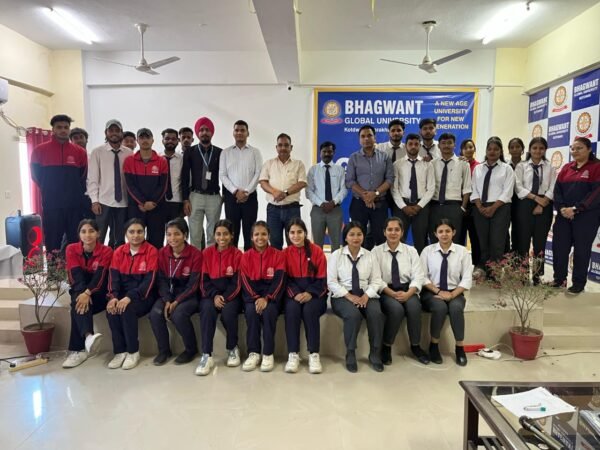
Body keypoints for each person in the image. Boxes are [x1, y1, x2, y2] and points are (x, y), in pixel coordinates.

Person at [327, 221, 385, 373]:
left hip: (366, 294)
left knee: (376, 314)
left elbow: (376, 280)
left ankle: (375, 353)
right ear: (345, 237)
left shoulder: (370, 255)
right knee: (353, 315)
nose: (356, 238)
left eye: (359, 234)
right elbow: (331, 282)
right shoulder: (336, 255)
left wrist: (366, 296)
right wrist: (349, 296)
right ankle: (351, 352)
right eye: (351, 234)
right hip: (342, 295)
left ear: (363, 236)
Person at [372, 217, 429, 366]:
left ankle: (416, 346)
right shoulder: (376, 252)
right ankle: (386, 346)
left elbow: (418, 276)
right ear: (384, 232)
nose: (393, 233)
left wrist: (409, 293)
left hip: (407, 289)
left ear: (402, 232)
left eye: (397, 230)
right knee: (396, 310)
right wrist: (391, 293)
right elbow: (376, 278)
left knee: (414, 307)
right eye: (389, 230)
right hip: (386, 290)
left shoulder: (411, 251)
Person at [30, 114, 87, 253]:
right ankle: (54, 268)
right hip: (52, 204)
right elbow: (36, 176)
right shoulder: (39, 150)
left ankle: (74, 267)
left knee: (75, 241)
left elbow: (82, 176)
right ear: (53, 129)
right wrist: (49, 189)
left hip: (74, 205)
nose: (63, 130)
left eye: (66, 127)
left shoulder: (79, 152)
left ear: (69, 129)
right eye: (59, 127)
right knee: (52, 241)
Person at [106, 219, 158, 370]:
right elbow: (113, 279)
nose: (136, 235)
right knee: (112, 310)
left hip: (144, 296)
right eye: (132, 232)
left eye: (139, 232)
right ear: (126, 234)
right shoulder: (118, 252)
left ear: (144, 233)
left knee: (126, 309)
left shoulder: (151, 251)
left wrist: (129, 297)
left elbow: (149, 281)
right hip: (122, 295)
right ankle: (119, 351)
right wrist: (113, 297)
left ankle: (133, 351)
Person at [420, 219, 473, 366]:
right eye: (441, 231)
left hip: (455, 291)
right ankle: (434, 345)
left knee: (456, 308)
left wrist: (452, 294)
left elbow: (467, 279)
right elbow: (422, 277)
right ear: (435, 234)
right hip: (432, 291)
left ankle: (460, 348)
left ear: (453, 232)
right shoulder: (427, 251)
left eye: (447, 231)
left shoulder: (462, 252)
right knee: (440, 307)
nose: (444, 234)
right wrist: (438, 291)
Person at [149, 219, 202, 366]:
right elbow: (160, 280)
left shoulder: (195, 254)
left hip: (188, 295)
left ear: (185, 235)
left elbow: (193, 284)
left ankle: (191, 349)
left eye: (177, 234)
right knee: (155, 314)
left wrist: (177, 301)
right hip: (168, 294)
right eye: (169, 234)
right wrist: (167, 300)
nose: (172, 238)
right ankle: (164, 351)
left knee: (178, 314)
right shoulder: (162, 253)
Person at [63, 219, 113, 368]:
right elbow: (75, 276)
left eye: (91, 231)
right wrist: (83, 294)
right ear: (79, 234)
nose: (87, 235)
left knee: (76, 303)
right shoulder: (71, 249)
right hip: (80, 289)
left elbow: (100, 278)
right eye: (83, 231)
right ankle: (88, 337)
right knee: (77, 300)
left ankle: (78, 350)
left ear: (98, 233)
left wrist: (87, 293)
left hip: (99, 292)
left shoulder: (106, 251)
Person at [552, 137, 600, 294]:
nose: (575, 151)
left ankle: (578, 283)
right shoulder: (567, 168)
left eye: (579, 148)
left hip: (586, 217)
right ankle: (559, 280)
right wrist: (562, 208)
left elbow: (596, 194)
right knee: (559, 248)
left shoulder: (596, 167)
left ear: (589, 149)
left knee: (581, 251)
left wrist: (576, 209)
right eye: (573, 148)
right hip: (564, 216)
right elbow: (557, 190)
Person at [197, 219, 244, 375]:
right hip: (211, 295)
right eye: (218, 234)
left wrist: (224, 297)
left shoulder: (237, 254)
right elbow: (203, 281)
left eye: (225, 234)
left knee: (229, 312)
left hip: (231, 296)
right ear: (214, 235)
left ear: (232, 236)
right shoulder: (206, 253)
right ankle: (206, 354)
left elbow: (237, 282)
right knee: (206, 310)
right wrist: (214, 296)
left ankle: (232, 348)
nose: (222, 238)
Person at [282, 218, 328, 374]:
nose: (296, 236)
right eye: (292, 232)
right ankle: (293, 354)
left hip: (315, 295)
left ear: (305, 233)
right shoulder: (285, 253)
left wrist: (310, 293)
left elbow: (322, 280)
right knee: (291, 310)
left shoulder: (317, 251)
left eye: (299, 232)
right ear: (288, 234)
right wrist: (295, 294)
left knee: (309, 310)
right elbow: (284, 280)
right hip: (293, 295)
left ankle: (314, 354)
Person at [239, 221, 285, 372]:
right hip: (252, 296)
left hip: (271, 295)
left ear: (269, 236)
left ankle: (268, 353)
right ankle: (253, 353)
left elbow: (279, 280)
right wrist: (256, 298)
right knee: (251, 312)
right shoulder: (245, 256)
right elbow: (245, 281)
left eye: (264, 234)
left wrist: (267, 298)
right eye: (256, 234)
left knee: (269, 312)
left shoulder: (278, 255)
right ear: (251, 237)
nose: (260, 237)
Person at [470, 136, 515, 278]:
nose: (492, 152)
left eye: (496, 149)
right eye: (489, 149)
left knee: (497, 241)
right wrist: (480, 206)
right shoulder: (478, 168)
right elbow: (473, 188)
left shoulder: (507, 169)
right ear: (486, 150)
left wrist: (493, 208)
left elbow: (507, 191)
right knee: (483, 241)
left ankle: (495, 273)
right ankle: (484, 270)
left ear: (500, 151)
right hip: (480, 207)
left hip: (500, 207)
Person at [513, 137, 556, 283]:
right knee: (523, 242)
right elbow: (518, 186)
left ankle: (537, 275)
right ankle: (523, 274)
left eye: (541, 148)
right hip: (525, 203)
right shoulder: (522, 166)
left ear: (545, 150)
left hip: (545, 204)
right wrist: (536, 199)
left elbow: (553, 187)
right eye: (535, 148)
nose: (538, 151)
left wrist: (542, 203)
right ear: (530, 149)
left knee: (540, 243)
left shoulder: (550, 167)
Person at [345, 125, 394, 249]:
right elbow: (350, 181)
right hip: (359, 204)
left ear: (375, 138)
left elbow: (389, 179)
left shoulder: (384, 157)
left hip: (379, 203)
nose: (366, 138)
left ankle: (379, 261)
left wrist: (375, 194)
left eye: (369, 135)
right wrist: (365, 195)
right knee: (357, 237)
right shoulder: (353, 158)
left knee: (381, 237)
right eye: (363, 136)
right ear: (359, 140)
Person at [87, 119, 133, 248]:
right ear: (106, 133)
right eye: (111, 130)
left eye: (117, 130)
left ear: (121, 133)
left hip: (123, 202)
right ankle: (98, 260)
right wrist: (94, 201)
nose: (114, 133)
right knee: (99, 236)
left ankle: (116, 260)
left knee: (119, 238)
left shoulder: (129, 153)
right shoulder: (97, 152)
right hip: (103, 202)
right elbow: (93, 179)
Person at [219, 120, 263, 250]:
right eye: (237, 130)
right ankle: (232, 261)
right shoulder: (225, 152)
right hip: (231, 198)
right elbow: (223, 175)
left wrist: (246, 192)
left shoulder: (255, 152)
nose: (239, 133)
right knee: (232, 233)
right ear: (233, 133)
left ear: (248, 133)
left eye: (242, 130)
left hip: (250, 197)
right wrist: (235, 191)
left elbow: (258, 173)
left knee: (250, 232)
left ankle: (250, 261)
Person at [259, 133, 307, 250]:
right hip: (273, 210)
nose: (283, 148)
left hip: (292, 209)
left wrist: (285, 193)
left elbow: (302, 183)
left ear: (291, 147)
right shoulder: (269, 163)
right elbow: (263, 182)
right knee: (275, 243)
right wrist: (274, 192)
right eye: (280, 145)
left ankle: (293, 263)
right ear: (276, 147)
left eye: (286, 145)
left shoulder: (298, 164)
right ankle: (278, 263)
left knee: (294, 242)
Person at [123, 128, 169, 249]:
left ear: (152, 140)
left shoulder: (162, 161)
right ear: (137, 141)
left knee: (156, 241)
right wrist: (142, 202)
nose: (144, 140)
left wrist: (151, 203)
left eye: (147, 137)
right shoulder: (129, 161)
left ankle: (154, 262)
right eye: (141, 138)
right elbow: (130, 186)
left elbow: (163, 185)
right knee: (136, 240)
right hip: (136, 207)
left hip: (156, 206)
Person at [182, 117, 223, 249]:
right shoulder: (190, 152)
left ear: (212, 132)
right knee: (195, 234)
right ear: (197, 133)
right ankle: (196, 262)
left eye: (207, 130)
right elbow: (184, 177)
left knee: (213, 234)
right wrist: (185, 199)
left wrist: (224, 197)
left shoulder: (220, 152)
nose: (204, 132)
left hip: (214, 197)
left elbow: (225, 175)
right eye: (201, 130)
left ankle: (210, 261)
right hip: (195, 197)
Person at [391, 133, 435, 254]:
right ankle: (400, 264)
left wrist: (419, 206)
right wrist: (403, 206)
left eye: (416, 144)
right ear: (406, 146)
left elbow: (431, 188)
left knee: (421, 239)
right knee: (398, 238)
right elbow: (394, 189)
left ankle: (420, 264)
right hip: (402, 206)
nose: (413, 146)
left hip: (421, 206)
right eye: (410, 144)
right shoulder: (397, 164)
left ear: (420, 146)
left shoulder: (428, 164)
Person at [428, 132, 471, 244]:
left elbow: (467, 188)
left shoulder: (463, 163)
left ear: (454, 145)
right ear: (439, 146)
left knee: (454, 240)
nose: (446, 145)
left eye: (449, 143)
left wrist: (462, 208)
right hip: (435, 206)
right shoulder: (432, 163)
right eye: (443, 143)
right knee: (435, 240)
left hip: (454, 207)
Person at [306, 141, 347, 252]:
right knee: (317, 245)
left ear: (333, 153)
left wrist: (333, 202)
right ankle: (318, 264)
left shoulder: (340, 169)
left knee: (336, 244)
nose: (327, 154)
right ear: (320, 153)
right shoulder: (313, 170)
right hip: (318, 209)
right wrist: (321, 204)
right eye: (324, 151)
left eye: (329, 151)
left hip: (335, 209)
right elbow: (308, 191)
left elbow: (344, 189)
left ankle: (335, 264)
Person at [458, 139, 481, 266]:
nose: (468, 150)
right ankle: (460, 266)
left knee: (475, 237)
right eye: (465, 148)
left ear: (474, 149)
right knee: (459, 237)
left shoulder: (480, 166)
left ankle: (477, 266)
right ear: (461, 150)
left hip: (474, 206)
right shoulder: (458, 164)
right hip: (460, 205)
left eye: (471, 147)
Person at [161, 128, 185, 222]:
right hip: (160, 202)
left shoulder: (182, 159)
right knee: (158, 229)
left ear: (178, 141)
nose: (170, 141)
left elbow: (186, 182)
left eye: (173, 139)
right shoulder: (157, 158)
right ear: (162, 140)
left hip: (177, 202)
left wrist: (185, 201)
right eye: (167, 138)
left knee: (176, 229)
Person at [507, 137, 525, 253]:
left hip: (521, 202)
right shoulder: (505, 165)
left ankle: (517, 259)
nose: (515, 149)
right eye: (512, 147)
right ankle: (505, 258)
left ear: (522, 149)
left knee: (519, 231)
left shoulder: (527, 165)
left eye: (518, 147)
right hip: (506, 201)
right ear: (508, 150)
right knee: (504, 230)